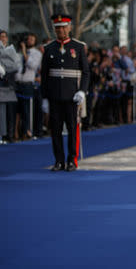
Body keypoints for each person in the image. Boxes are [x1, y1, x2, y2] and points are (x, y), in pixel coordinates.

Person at [40, 14, 90, 172]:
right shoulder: (49, 48)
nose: (60, 30)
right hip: (54, 96)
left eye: (63, 27)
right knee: (55, 130)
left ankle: (72, 160)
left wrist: (82, 90)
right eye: (57, 28)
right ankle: (59, 161)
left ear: (69, 28)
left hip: (72, 96)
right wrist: (45, 98)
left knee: (72, 129)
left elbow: (86, 72)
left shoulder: (78, 47)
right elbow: (45, 75)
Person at [16, 33, 42, 139]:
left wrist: (24, 53)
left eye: (32, 39)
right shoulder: (19, 53)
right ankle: (16, 131)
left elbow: (32, 65)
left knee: (27, 110)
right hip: (18, 84)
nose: (29, 41)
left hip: (28, 84)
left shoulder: (36, 53)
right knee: (17, 110)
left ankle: (27, 131)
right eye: (28, 39)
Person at [0, 29, 21, 144]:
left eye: (4, 37)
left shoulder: (11, 51)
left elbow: (16, 66)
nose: (3, 39)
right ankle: (2, 135)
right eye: (1, 37)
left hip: (10, 85)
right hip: (1, 85)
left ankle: (10, 134)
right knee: (1, 112)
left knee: (11, 112)